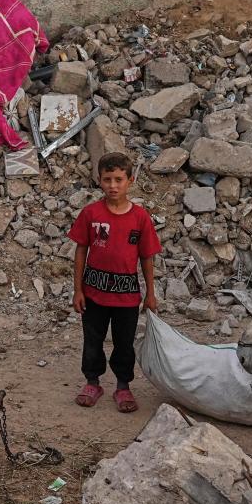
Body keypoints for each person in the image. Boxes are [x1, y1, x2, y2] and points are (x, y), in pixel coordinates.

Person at [71, 153, 161, 414]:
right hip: (93, 293)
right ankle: (92, 382)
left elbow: (147, 257)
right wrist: (78, 290)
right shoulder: (91, 214)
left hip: (127, 297)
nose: (113, 185)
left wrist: (150, 294)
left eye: (119, 179)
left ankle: (123, 386)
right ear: (99, 181)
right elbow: (80, 250)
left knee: (124, 343)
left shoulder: (140, 218)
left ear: (130, 180)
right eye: (107, 179)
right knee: (92, 340)